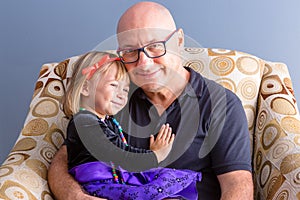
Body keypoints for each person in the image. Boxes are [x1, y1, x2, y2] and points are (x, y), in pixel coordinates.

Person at [48, 2, 254, 200]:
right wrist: (74, 196)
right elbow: (64, 159)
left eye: (155, 46)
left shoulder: (220, 104)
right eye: (130, 51)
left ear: (179, 41)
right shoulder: (114, 95)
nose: (143, 63)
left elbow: (237, 185)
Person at [62, 51, 201, 200]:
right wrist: (155, 155)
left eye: (125, 90)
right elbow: (117, 153)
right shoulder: (84, 121)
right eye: (114, 85)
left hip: (117, 180)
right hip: (99, 186)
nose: (121, 95)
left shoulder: (108, 121)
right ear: (85, 88)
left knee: (167, 182)